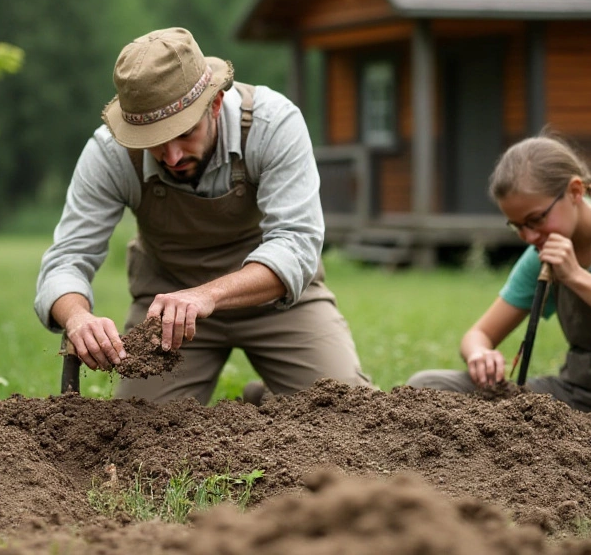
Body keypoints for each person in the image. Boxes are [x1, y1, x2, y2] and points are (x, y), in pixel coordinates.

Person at [35, 27, 371, 404]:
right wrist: (77, 317)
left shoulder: (271, 124)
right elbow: (66, 260)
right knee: (137, 434)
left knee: (344, 410)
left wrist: (206, 295)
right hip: (166, 319)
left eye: (184, 134)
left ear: (214, 104)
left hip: (274, 302)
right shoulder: (110, 154)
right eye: (154, 143)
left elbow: (296, 245)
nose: (172, 156)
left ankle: (270, 406)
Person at [407, 135, 591, 432]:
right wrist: (479, 354)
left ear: (575, 191)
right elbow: (479, 334)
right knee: (426, 387)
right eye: (517, 226)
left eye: (535, 220)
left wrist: (575, 276)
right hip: (577, 392)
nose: (528, 237)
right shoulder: (542, 253)